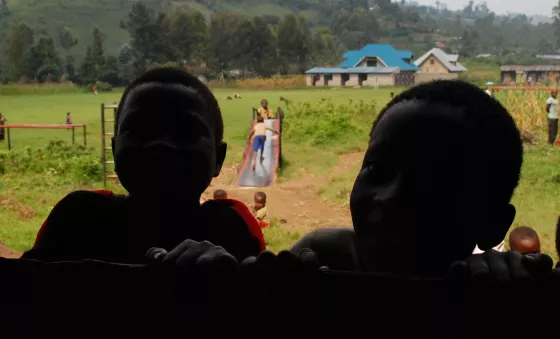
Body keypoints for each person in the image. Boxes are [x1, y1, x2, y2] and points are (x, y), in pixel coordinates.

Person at [22, 68, 265, 263]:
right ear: (115, 151)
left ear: (219, 158)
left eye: (186, 131)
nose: (161, 145)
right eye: (139, 130)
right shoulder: (75, 220)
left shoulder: (232, 229)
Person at [292, 80, 523, 277]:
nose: (389, 198)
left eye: (433, 182)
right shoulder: (306, 275)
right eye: (376, 169)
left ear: (493, 224)